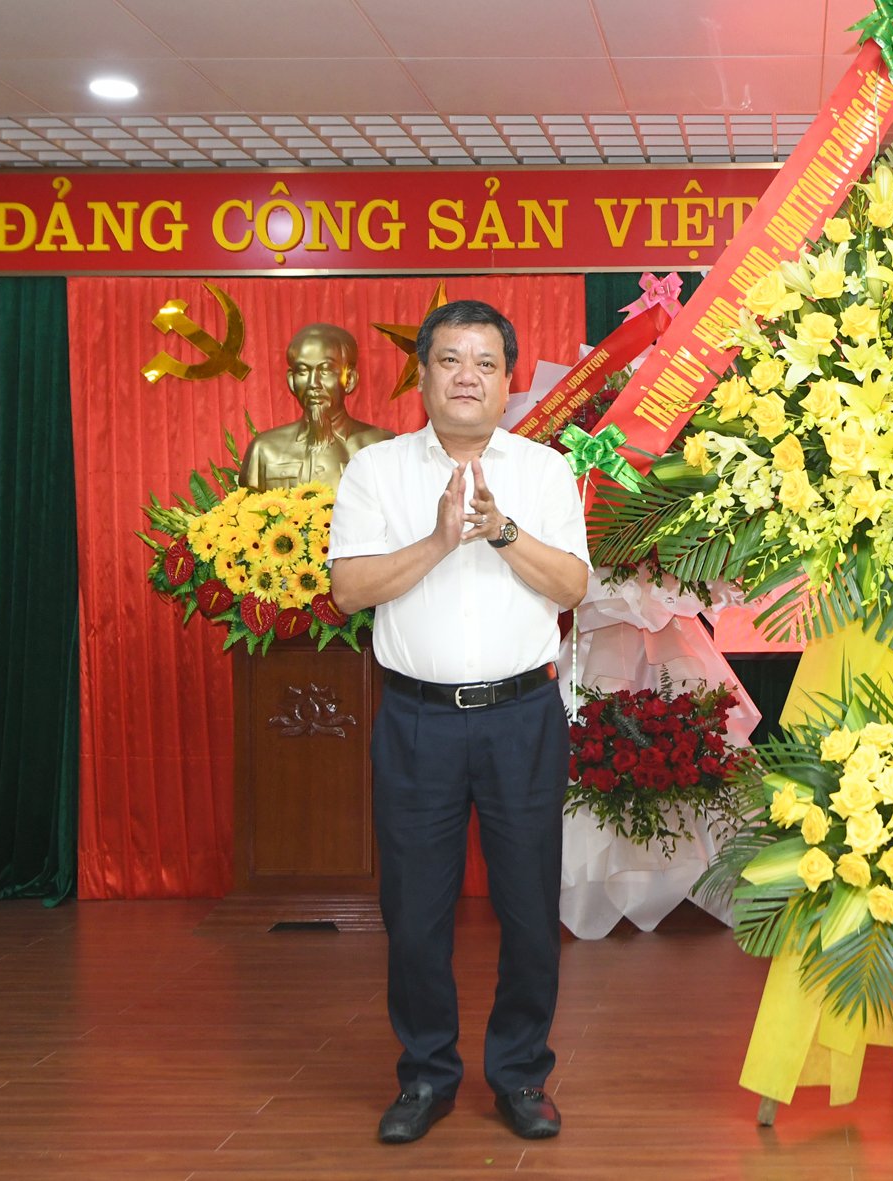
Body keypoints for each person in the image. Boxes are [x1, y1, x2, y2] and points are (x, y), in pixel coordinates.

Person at [329, 299, 590, 1144]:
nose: (467, 376)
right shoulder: (376, 471)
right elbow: (349, 590)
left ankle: (521, 1075)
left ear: (508, 380)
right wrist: (441, 540)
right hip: (418, 721)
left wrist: (501, 531)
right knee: (415, 913)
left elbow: (573, 585)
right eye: (450, 360)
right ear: (424, 374)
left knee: (529, 910)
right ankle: (426, 1076)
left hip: (522, 719)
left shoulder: (544, 471)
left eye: (484, 362)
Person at [240, 323, 394, 490]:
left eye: (326, 370)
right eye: (303, 371)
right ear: (291, 381)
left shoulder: (383, 447)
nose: (313, 383)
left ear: (349, 380)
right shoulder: (264, 450)